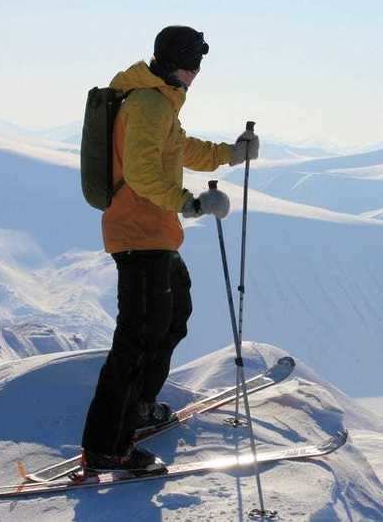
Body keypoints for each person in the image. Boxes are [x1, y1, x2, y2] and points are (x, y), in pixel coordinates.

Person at [80, 25, 260, 472]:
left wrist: (230, 154)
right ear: (185, 63)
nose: (198, 71)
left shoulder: (159, 99)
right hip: (138, 233)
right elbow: (142, 173)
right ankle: (107, 446)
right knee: (137, 339)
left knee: (172, 317)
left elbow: (178, 150)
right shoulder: (148, 102)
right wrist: (191, 203)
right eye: (196, 61)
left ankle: (137, 410)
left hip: (155, 234)